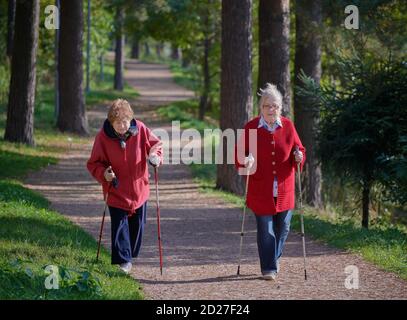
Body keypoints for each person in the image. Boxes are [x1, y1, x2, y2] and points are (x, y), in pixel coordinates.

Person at [235, 83, 306, 280]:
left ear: (280, 107)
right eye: (267, 105)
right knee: (266, 230)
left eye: (275, 105)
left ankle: (274, 258)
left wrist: (298, 157)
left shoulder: (288, 126)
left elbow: (299, 150)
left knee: (283, 228)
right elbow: (239, 155)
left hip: (285, 189)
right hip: (260, 189)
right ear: (261, 107)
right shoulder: (251, 128)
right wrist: (246, 160)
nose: (271, 109)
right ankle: (269, 268)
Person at [87, 99, 163, 274]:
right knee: (120, 227)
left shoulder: (141, 129)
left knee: (138, 227)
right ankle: (124, 261)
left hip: (139, 190)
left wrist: (155, 156)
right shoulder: (103, 137)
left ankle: (130, 254)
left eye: (125, 122)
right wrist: (104, 174)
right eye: (117, 123)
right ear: (110, 122)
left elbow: (156, 145)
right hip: (116, 190)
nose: (122, 126)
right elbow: (94, 163)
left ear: (131, 120)